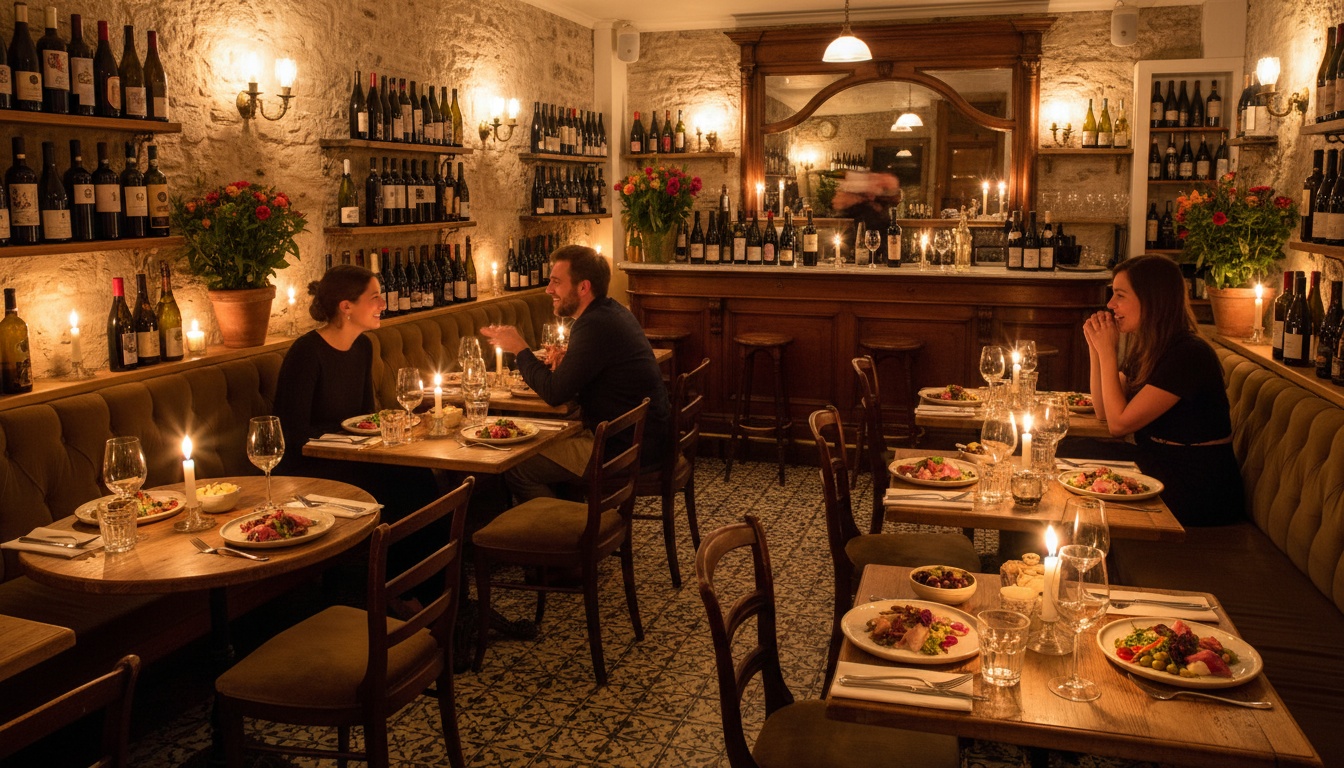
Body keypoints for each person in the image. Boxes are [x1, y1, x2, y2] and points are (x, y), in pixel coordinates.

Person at [482, 245, 671, 501]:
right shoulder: (611, 312)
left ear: (583, 287)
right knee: (539, 446)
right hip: (645, 440)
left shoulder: (593, 325)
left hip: (621, 449)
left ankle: (565, 536)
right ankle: (575, 522)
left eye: (556, 282)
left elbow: (554, 393)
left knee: (517, 467)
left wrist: (519, 348)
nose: (549, 290)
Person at [1083, 254, 1243, 526]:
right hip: (1160, 463)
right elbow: (1102, 410)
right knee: (1068, 451)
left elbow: (1118, 425)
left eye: (1120, 296)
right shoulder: (1150, 346)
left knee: (1072, 454)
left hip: (1195, 485)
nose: (1111, 305)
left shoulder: (1188, 354)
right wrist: (1095, 348)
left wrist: (1109, 352)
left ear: (1152, 300)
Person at [272, 264, 437, 516]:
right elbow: (293, 433)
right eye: (374, 298)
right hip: (311, 462)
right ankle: (388, 553)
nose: (383, 304)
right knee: (394, 483)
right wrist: (348, 440)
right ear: (346, 306)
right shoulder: (306, 353)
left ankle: (429, 554)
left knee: (418, 473)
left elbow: (366, 416)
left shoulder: (363, 346)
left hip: (353, 453)